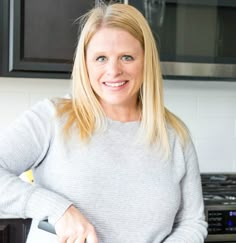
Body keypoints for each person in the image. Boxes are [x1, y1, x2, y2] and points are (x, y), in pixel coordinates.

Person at [0, 2, 208, 243]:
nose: (113, 70)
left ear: (146, 61)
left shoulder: (174, 135)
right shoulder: (52, 118)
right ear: (85, 64)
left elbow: (193, 222)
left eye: (127, 57)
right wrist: (58, 210)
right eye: (100, 58)